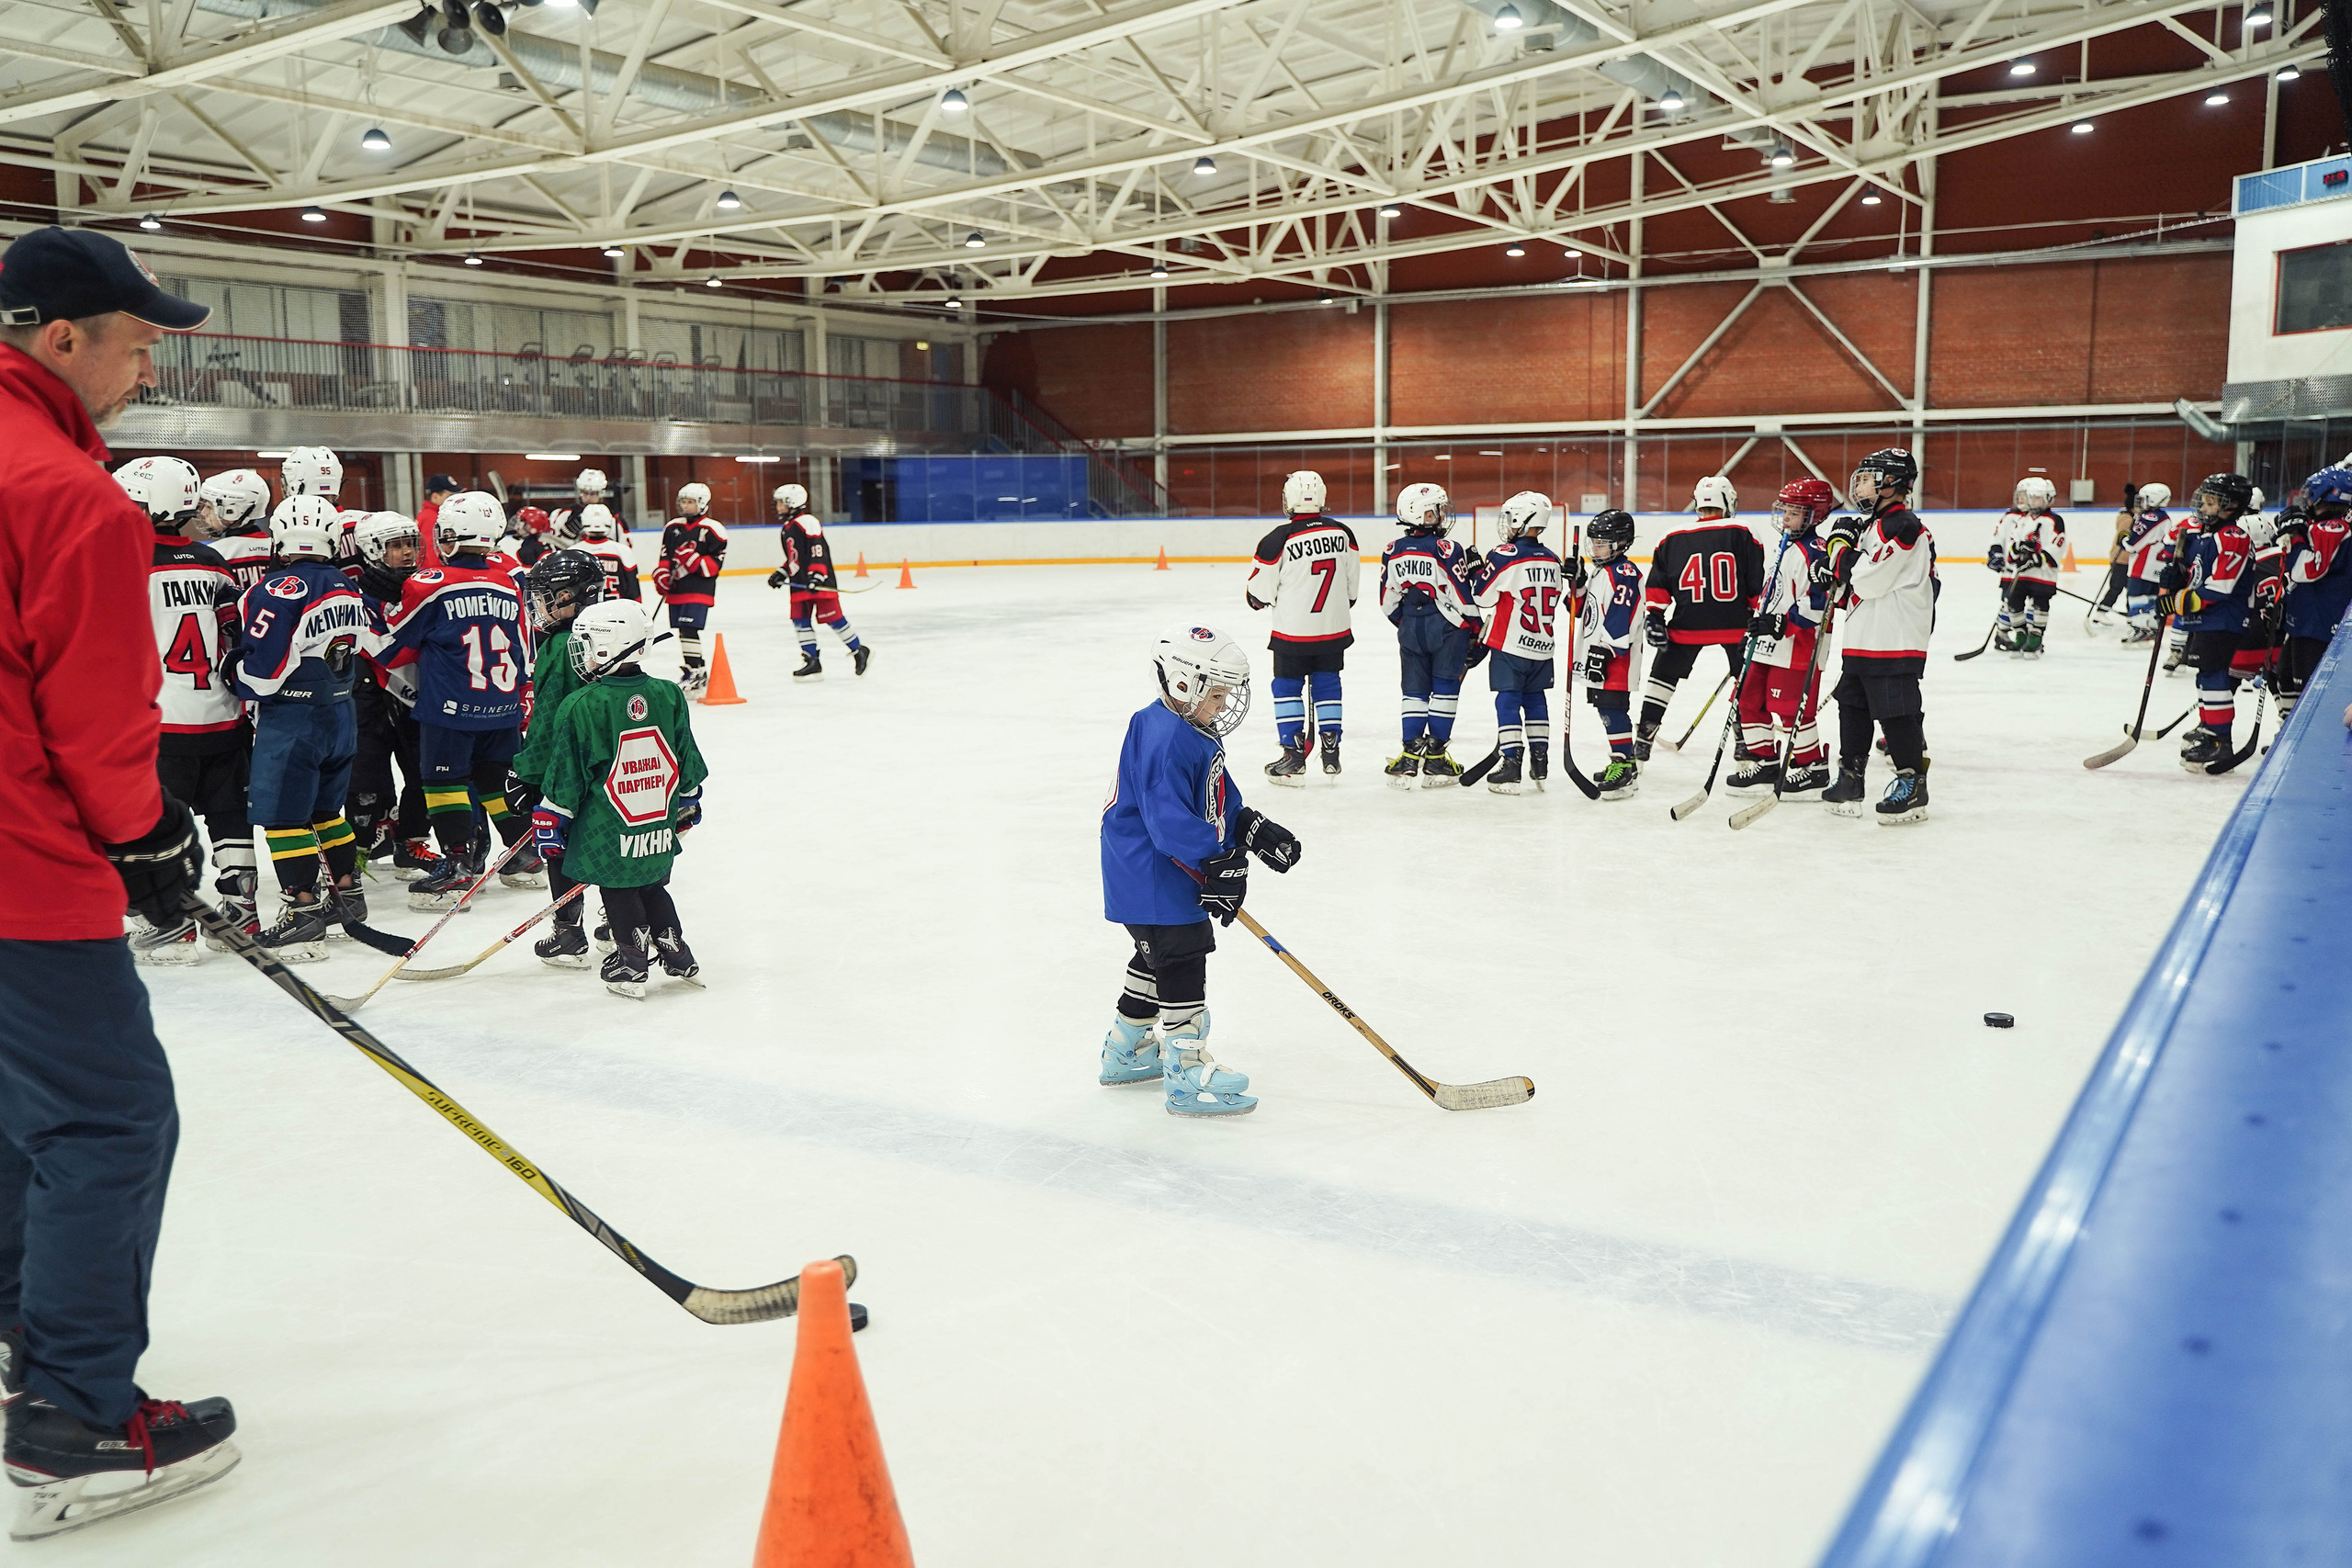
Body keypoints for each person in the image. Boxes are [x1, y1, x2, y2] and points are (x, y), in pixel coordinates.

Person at [0, 222, 239, 1540]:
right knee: (106, 1122)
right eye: (140, 344)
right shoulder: (65, 493)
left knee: (12, 1105)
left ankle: (12, 1340)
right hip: (23, 867)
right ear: (63, 338)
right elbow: (94, 717)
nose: (147, 370)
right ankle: (76, 1418)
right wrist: (146, 841)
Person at [1097, 626, 1300, 1116]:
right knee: (1182, 956)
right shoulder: (1164, 736)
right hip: (1151, 872)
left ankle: (1126, 1052)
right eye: (1217, 694)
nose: (1224, 703)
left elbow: (1213, 794)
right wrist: (1218, 863)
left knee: (1157, 957)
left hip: (1159, 870)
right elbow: (1167, 820)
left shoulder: (1190, 730)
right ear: (1185, 685)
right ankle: (1187, 1073)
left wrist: (1249, 827)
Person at [527, 599, 707, 998]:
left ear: (610, 646)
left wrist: (551, 817)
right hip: (656, 821)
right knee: (652, 885)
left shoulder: (582, 704)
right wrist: (688, 799)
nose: (582, 651)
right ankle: (677, 954)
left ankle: (630, 962)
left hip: (607, 826)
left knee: (619, 887)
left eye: (588, 643)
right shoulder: (669, 694)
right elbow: (686, 759)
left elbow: (567, 775)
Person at [117, 455, 253, 961]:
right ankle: (243, 906)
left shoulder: (125, 559)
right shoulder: (212, 560)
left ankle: (169, 921)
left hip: (160, 719)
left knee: (151, 823)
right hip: (221, 711)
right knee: (228, 813)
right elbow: (231, 632)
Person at [227, 494, 375, 956]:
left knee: (283, 818)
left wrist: (232, 674)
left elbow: (262, 675)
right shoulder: (348, 586)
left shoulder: (273, 587)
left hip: (294, 719)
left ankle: (304, 910)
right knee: (327, 812)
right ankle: (348, 895)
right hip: (341, 714)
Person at [385, 491, 535, 907]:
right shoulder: (510, 581)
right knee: (494, 779)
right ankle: (526, 851)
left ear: (449, 533)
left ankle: (458, 866)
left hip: (451, 709)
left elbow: (395, 644)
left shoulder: (429, 583)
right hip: (502, 705)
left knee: (442, 781)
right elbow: (526, 649)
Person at [1815, 448, 1938, 824]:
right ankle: (1851, 779)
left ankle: (1911, 784)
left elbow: (1868, 579)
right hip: (1865, 634)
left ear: (1892, 482)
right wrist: (1831, 571)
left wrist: (1838, 550)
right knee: (1852, 704)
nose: (1862, 483)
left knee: (1896, 711)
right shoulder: (1873, 525)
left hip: (1894, 636)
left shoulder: (1902, 524)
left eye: (1870, 476)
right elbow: (1848, 586)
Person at [507, 548, 610, 967]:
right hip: (606, 766)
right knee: (604, 844)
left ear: (576, 596)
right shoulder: (603, 632)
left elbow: (549, 720)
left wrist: (527, 772)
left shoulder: (561, 645)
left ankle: (568, 934)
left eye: (551, 596)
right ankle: (616, 924)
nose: (541, 606)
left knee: (558, 846)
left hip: (565, 769)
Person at [1635, 473, 1764, 760]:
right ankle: (1746, 742)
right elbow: (1756, 582)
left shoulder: (1672, 536)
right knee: (1746, 680)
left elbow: (1657, 584)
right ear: (1728, 501)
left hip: (1687, 625)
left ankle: (1643, 739)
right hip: (1736, 627)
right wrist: (1761, 615)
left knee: (1662, 675)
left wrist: (1655, 617)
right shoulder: (1744, 531)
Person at [1245, 470, 1360, 781]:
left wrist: (1255, 600)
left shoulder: (1276, 540)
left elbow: (1259, 594)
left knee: (1286, 687)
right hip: (1333, 630)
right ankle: (1331, 750)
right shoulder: (1344, 534)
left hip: (1292, 633)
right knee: (1327, 683)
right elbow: (1351, 592)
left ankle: (1293, 757)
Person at [1728, 479, 1834, 795]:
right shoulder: (1785, 546)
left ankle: (1812, 766)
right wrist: (1758, 622)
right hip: (1768, 642)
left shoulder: (1815, 553)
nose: (1785, 516)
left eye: (1795, 510)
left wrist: (1780, 624)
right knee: (1747, 698)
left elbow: (1818, 604)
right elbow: (1773, 593)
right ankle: (1766, 762)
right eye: (1784, 508)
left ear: (1815, 515)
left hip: (1798, 645)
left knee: (1790, 708)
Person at [2162, 473, 2272, 773]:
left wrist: (2178, 600)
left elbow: (2221, 587)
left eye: (2212, 502)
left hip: (2224, 619)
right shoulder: (2203, 536)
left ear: (2232, 506)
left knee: (2214, 676)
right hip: (2205, 619)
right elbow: (2194, 575)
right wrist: (2174, 577)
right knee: (2205, 676)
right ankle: (2210, 730)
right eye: (2205, 500)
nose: (2204, 506)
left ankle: (2220, 739)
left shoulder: (2233, 537)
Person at [1377, 482, 1476, 787]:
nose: (1443, 516)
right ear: (1421, 515)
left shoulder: (1392, 550)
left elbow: (1387, 600)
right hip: (1446, 628)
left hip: (1410, 626)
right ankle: (1435, 760)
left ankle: (1409, 757)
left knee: (1414, 691)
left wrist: (1406, 623)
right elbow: (1462, 597)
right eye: (1437, 511)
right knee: (1445, 688)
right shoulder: (1448, 549)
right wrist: (1475, 631)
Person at [347, 512, 430, 875]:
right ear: (371, 550)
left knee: (421, 772)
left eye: (411, 543)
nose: (407, 553)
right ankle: (356, 851)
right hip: (368, 699)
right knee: (366, 780)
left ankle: (411, 840)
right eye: (396, 546)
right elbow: (387, 650)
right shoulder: (353, 597)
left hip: (415, 699)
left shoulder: (423, 589)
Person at [1468, 491, 1565, 795]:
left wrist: (1476, 572)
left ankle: (1511, 763)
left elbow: (1482, 598)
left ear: (1522, 520)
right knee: (1536, 699)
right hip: (1543, 646)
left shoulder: (1505, 555)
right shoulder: (1552, 559)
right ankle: (1540, 760)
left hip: (1510, 645)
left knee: (1507, 700)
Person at [1572, 507, 1648, 800]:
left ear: (1621, 543)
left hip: (1616, 658)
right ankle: (1621, 759)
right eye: (1594, 543)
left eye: (1601, 543)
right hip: (1599, 654)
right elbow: (1580, 611)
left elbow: (1621, 615)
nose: (1595, 548)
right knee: (1606, 708)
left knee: (1614, 709)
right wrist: (1577, 582)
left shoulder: (1625, 573)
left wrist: (1606, 651)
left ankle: (1625, 767)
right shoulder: (1600, 572)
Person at [765, 482, 870, 678]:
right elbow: (795, 557)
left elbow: (817, 550)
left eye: (781, 502)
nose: (778, 506)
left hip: (819, 580)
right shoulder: (787, 527)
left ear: (793, 502)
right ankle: (812, 660)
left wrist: (817, 575)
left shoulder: (807, 521)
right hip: (800, 582)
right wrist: (782, 572)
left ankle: (859, 650)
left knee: (833, 617)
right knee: (799, 619)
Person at [2275, 467, 2352, 723]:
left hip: (2319, 625)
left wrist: (2295, 538)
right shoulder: (2319, 526)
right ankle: (2287, 735)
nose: (2304, 498)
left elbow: (2308, 570)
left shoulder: (2333, 527)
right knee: (2284, 675)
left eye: (2310, 493)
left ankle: (2303, 738)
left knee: (2308, 685)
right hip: (2305, 621)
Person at [654, 481, 729, 693]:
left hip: (699, 589)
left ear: (703, 504)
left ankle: (694, 671)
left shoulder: (714, 530)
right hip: (677, 590)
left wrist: (693, 559)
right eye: (683, 502)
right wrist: (662, 575)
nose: (685, 506)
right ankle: (698, 670)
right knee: (683, 630)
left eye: (690, 502)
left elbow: (713, 567)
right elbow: (665, 557)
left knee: (689, 628)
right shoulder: (672, 528)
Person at [1990, 478, 2065, 657]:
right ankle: (2013, 633)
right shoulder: (2016, 519)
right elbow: (2004, 541)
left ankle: (2034, 635)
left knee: (2036, 605)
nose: (2028, 501)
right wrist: (2008, 553)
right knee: (2011, 603)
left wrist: (2037, 558)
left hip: (2039, 573)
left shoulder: (2051, 520)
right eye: (2026, 496)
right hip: (2017, 572)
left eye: (2033, 497)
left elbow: (2056, 545)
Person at [2118, 483, 2178, 645]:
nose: (2141, 502)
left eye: (2144, 499)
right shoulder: (2164, 517)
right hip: (2156, 569)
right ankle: (2151, 627)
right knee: (2151, 598)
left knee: (2136, 597)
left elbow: (2132, 544)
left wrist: (2123, 539)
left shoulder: (2150, 518)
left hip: (2142, 568)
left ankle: (2141, 628)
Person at [196, 467, 274, 591]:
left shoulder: (212, 555)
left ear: (232, 512)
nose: (204, 512)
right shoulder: (279, 550)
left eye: (209, 506)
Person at [575, 502, 640, 600]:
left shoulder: (573, 552)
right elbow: (634, 590)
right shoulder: (623, 550)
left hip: (586, 613)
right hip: (618, 612)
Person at [549, 468, 609, 543]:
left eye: (593, 493)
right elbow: (555, 542)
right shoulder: (566, 514)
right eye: (585, 493)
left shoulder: (612, 517)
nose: (588, 497)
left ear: (601, 494)